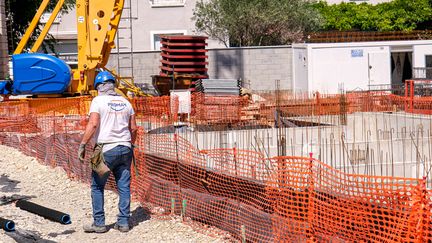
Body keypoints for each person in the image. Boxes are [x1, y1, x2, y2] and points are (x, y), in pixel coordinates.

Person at [78, 71, 137, 233]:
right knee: (124, 187)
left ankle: (99, 223)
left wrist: (83, 144)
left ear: (99, 87)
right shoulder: (126, 102)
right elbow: (133, 128)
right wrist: (130, 144)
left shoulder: (98, 101)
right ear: (113, 86)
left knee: (97, 186)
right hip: (125, 149)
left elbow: (93, 124)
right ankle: (123, 223)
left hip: (106, 150)